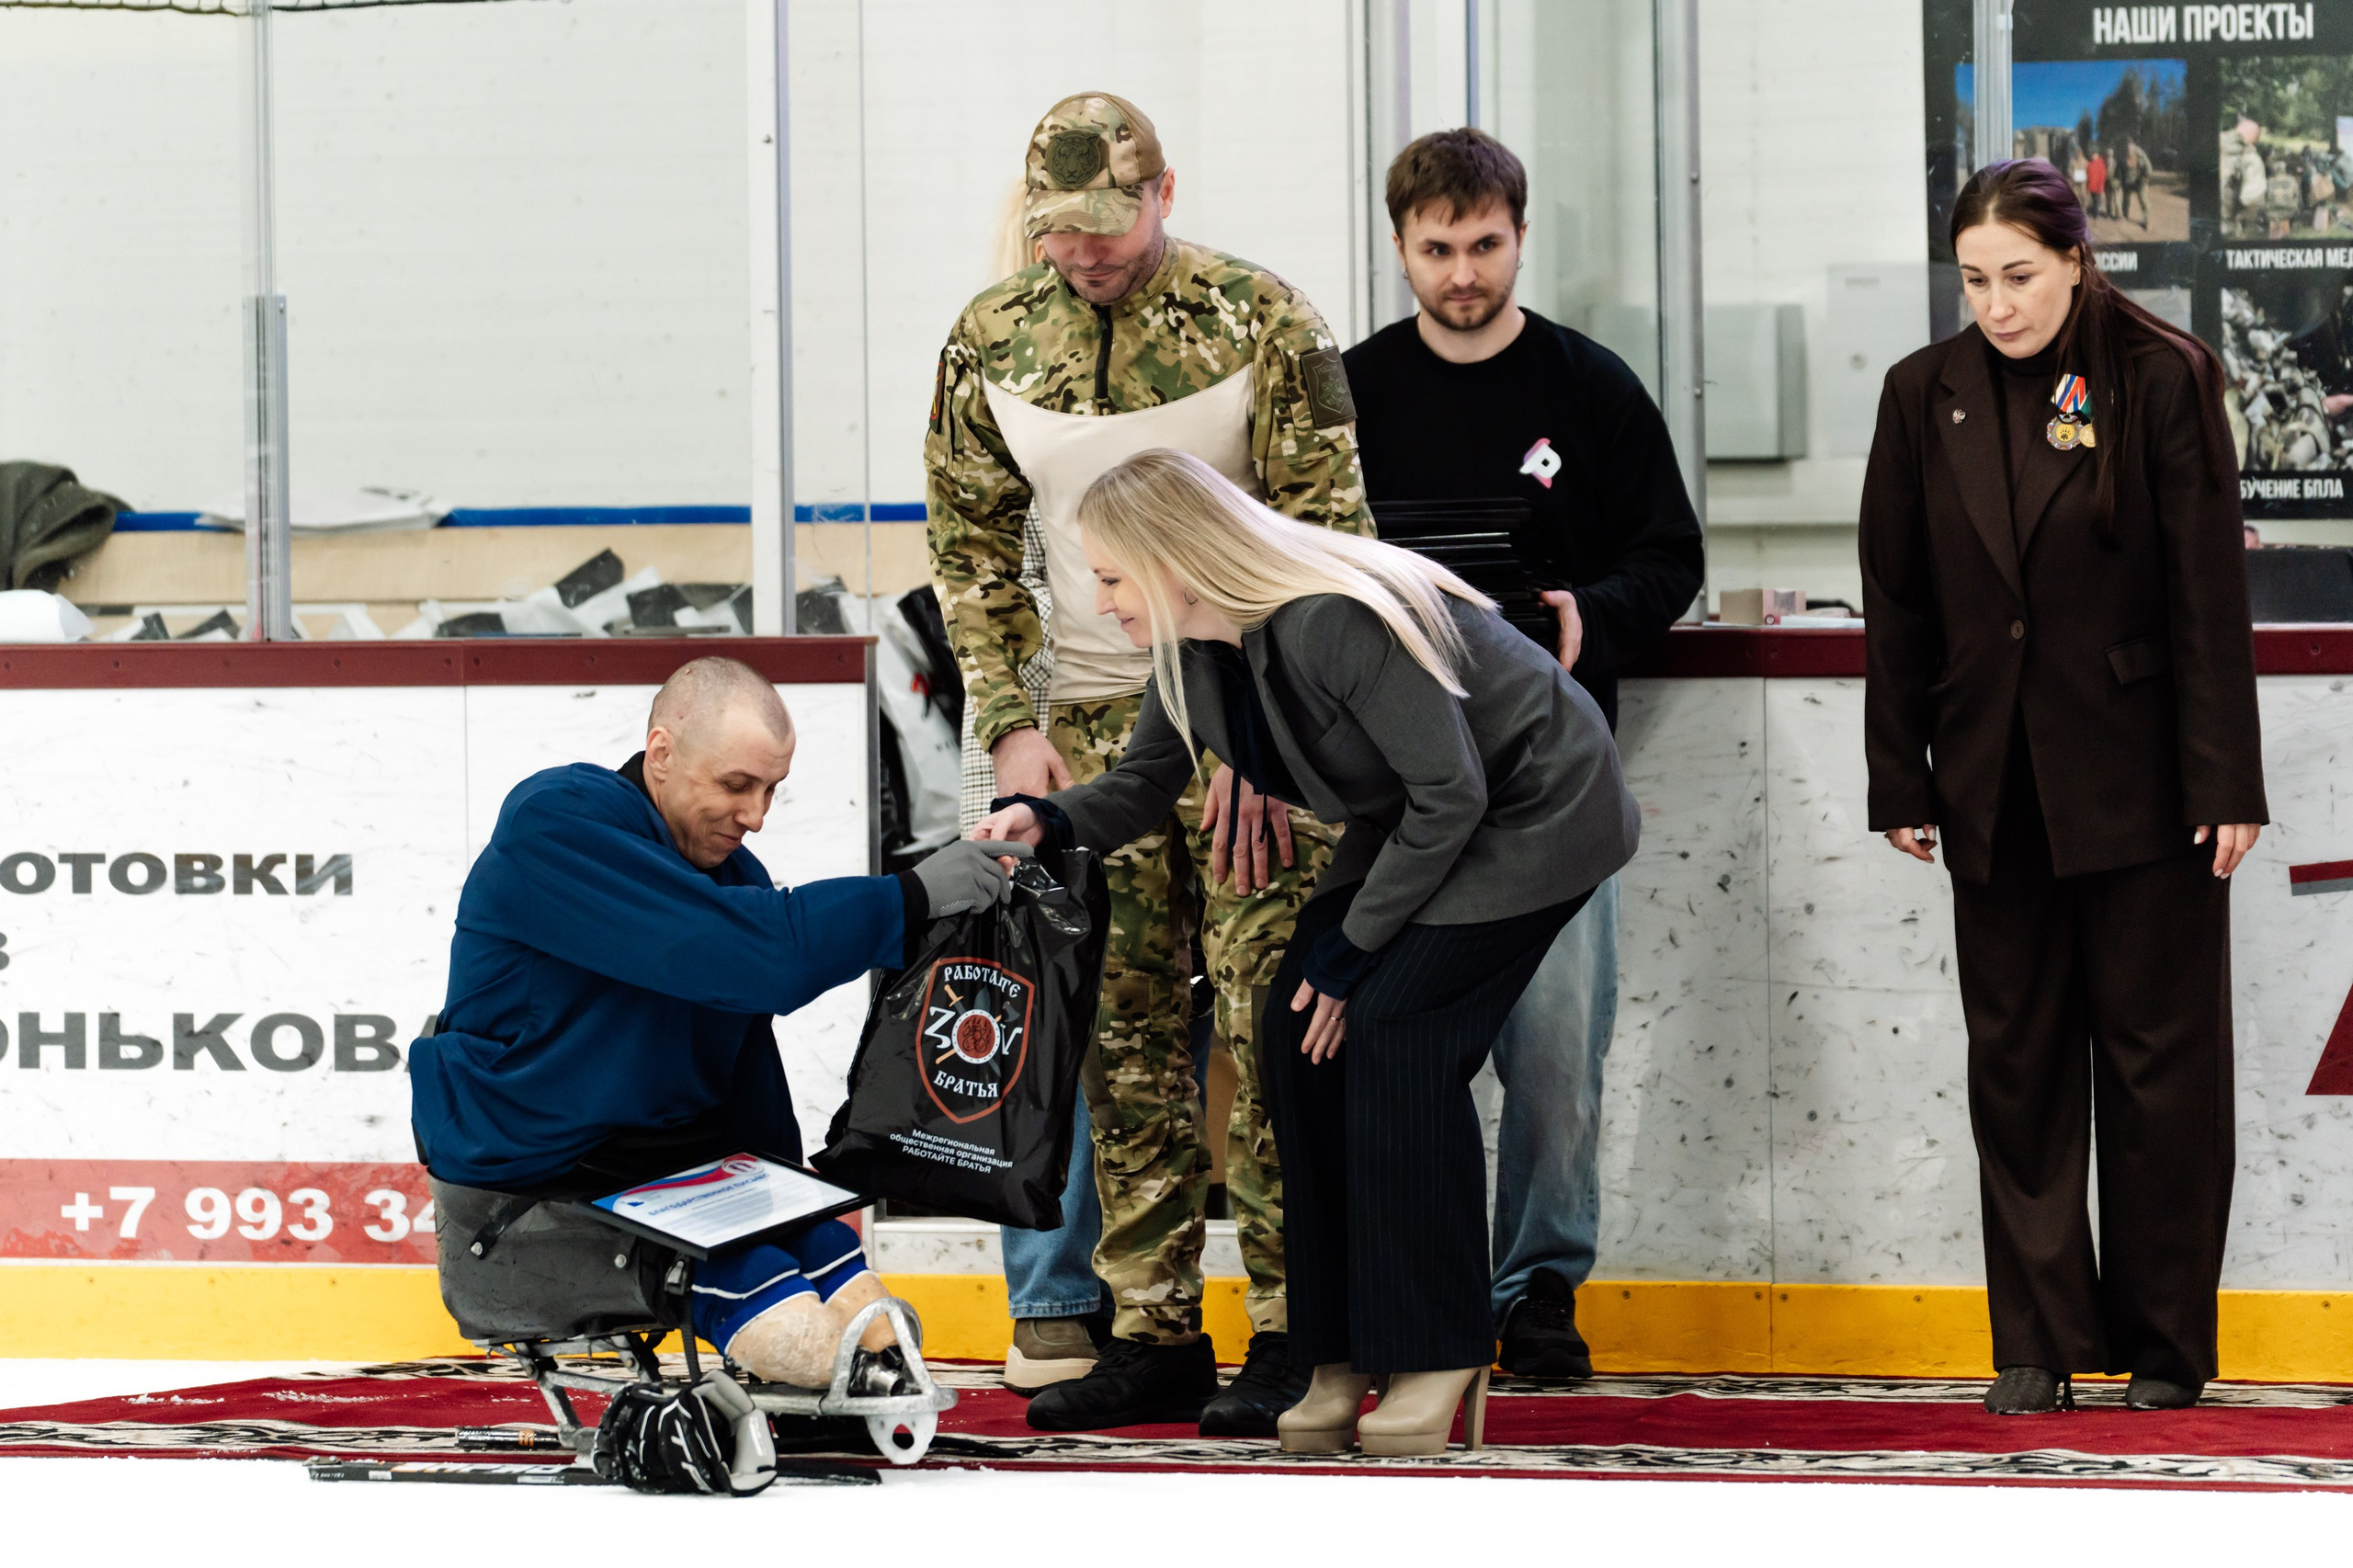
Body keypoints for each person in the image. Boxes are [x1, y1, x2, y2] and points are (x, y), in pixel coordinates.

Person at [975, 449, 1639, 1457]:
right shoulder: (1196, 648)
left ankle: (1437, 1349)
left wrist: (1347, 957)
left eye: (1111, 576)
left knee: (1392, 1035)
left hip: (1535, 816)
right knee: (1297, 1042)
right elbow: (1143, 787)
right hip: (1419, 828)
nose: (1100, 601)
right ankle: (1336, 1348)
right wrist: (1042, 818)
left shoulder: (1329, 618)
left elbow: (1453, 795)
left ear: (1173, 560)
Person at [926, 90, 1371, 1435]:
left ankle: (1297, 1331)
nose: (1087, 253)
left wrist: (1270, 737)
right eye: (1060, 231)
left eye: (1109, 226)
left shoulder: (1263, 319)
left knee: (1267, 1026)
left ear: (1164, 192)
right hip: (1086, 730)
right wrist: (1013, 721)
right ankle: (1152, 1328)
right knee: (1117, 1042)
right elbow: (969, 547)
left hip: (1249, 726)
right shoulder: (992, 338)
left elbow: (1330, 541)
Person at [1859, 159, 2266, 1415]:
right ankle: (2033, 1337)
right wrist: (1898, 774)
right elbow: (1900, 600)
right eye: (1975, 280)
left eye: (2021, 277)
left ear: (2079, 261)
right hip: (1992, 781)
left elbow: (2208, 594)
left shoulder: (2160, 374)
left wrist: (2228, 778)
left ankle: (2162, 1345)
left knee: (2159, 1070)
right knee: (2020, 1066)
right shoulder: (1923, 396)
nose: (1998, 304)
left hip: (2146, 778)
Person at [412, 655, 1031, 1392]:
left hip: (660, 1169)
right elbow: (742, 955)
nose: (756, 815)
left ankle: (858, 1369)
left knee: (834, 1261)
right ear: (663, 755)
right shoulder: (557, 822)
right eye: (737, 785)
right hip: (532, 1179)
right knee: (766, 1285)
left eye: (771, 790)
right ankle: (799, 1348)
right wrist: (908, 897)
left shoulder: (734, 877)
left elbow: (744, 1060)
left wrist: (783, 1192)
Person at [1340, 128, 1702, 1380]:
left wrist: (1580, 615)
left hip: (1548, 788)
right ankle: (1410, 1285)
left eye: (1483, 245)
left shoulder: (1589, 387)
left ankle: (1540, 1285)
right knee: (1390, 1046)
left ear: (1520, 235)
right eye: (1436, 249)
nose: (1462, 274)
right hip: (1393, 791)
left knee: (1556, 1055)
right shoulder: (1354, 395)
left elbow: (1674, 560)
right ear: (1400, 247)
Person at [2086, 148, 2107, 219]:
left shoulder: (2101, 164)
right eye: (2092, 155)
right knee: (2093, 199)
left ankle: (2096, 214)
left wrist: (2101, 186)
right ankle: (2094, 211)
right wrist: (2087, 185)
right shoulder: (2090, 163)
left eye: (2095, 155)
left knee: (2096, 200)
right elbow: (2088, 174)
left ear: (2098, 155)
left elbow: (2102, 176)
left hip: (2097, 186)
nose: (2093, 156)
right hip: (2091, 185)